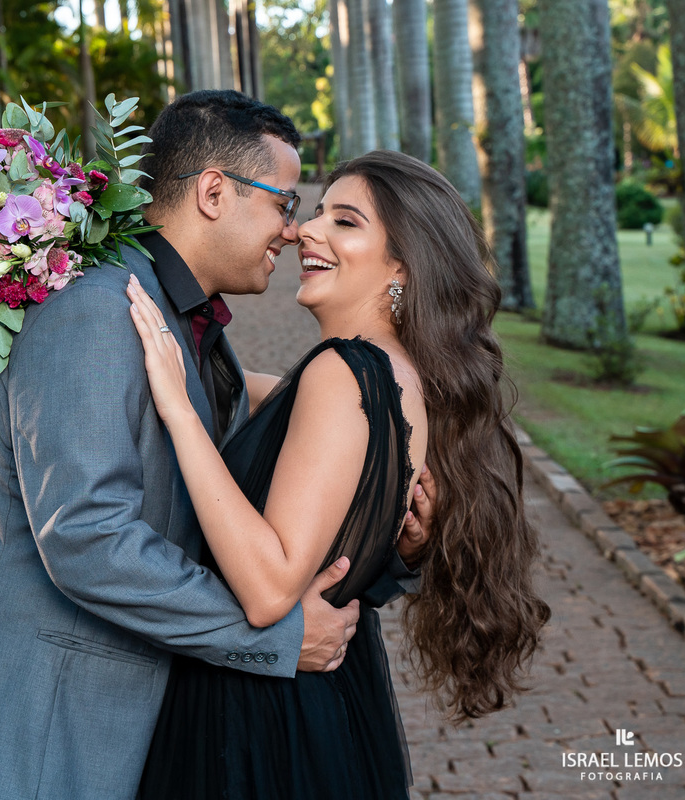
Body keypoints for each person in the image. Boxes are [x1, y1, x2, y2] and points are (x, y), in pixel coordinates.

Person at [0, 92, 433, 800]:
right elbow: (89, 538)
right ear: (215, 193)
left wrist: (388, 538)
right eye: (286, 203)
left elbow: (254, 500)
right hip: (62, 730)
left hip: (151, 724)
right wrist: (276, 635)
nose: (292, 231)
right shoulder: (97, 311)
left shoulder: (183, 321)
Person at [127, 149, 551, 799]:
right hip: (325, 706)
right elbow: (256, 400)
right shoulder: (392, 375)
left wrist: (181, 417)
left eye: (345, 222)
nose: (306, 231)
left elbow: (270, 589)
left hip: (259, 725)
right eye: (315, 213)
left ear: (404, 267)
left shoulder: (345, 374)